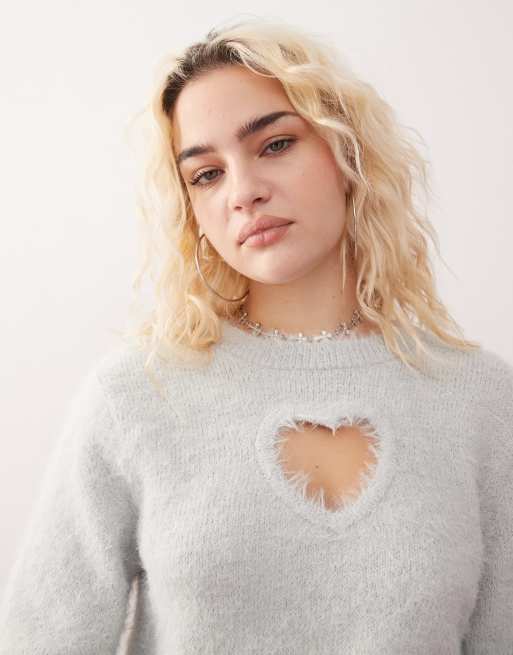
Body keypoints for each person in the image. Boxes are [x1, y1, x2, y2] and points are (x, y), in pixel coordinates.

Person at [0, 15, 511, 655]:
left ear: (347, 152)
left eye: (275, 145)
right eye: (206, 174)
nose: (243, 192)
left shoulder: (480, 401)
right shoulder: (135, 398)